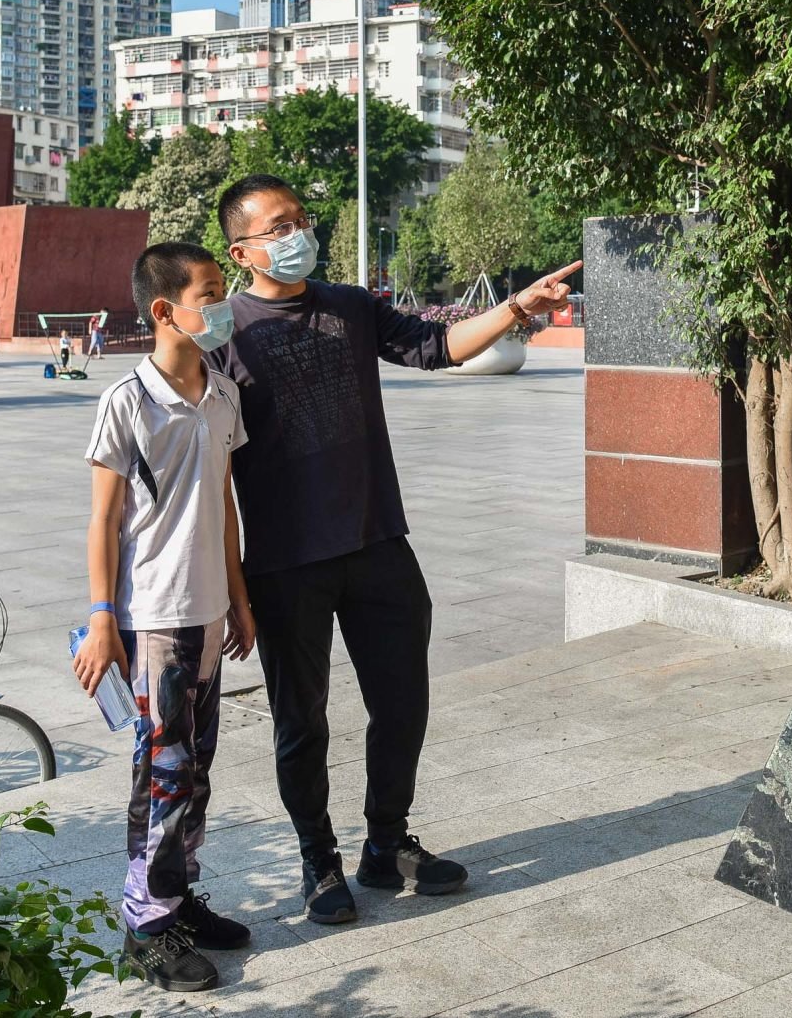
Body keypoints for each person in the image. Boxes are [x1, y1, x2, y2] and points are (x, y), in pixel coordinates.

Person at [207, 174, 578, 925]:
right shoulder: (221, 334)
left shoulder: (347, 304)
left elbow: (437, 345)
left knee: (403, 701)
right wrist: (232, 588)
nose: (296, 234)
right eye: (278, 225)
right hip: (285, 561)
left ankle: (385, 841)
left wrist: (514, 308)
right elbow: (207, 465)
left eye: (301, 219)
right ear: (241, 248)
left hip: (377, 539)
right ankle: (320, 860)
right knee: (301, 722)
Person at [74, 242, 257, 994]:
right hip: (153, 618)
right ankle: (145, 928)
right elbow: (102, 520)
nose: (223, 303)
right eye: (211, 292)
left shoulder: (222, 392)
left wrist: (240, 601)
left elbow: (222, 502)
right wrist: (101, 619)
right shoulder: (128, 401)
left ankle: (178, 897)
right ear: (164, 309)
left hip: (209, 613)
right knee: (163, 773)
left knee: (197, 769)